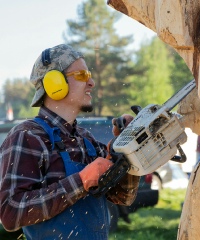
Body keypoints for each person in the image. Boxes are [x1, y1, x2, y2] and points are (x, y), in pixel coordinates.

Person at [0, 44, 140, 240]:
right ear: (54, 83)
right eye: (82, 75)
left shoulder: (86, 140)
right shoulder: (28, 136)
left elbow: (123, 197)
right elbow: (10, 213)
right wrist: (81, 182)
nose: (91, 82)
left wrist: (127, 147)